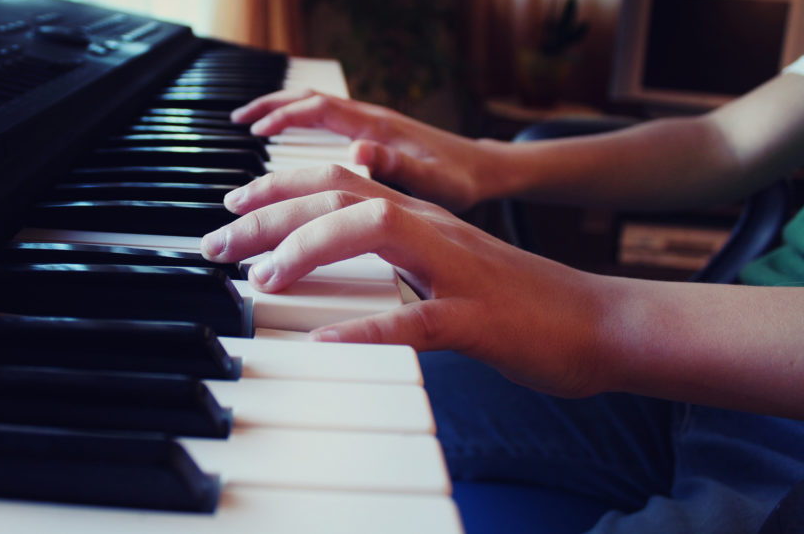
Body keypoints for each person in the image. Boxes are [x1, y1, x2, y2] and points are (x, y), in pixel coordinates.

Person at [199, 60, 804, 533]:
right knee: (297, 391)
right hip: (723, 338)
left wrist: (599, 315)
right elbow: (724, 141)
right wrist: (489, 162)